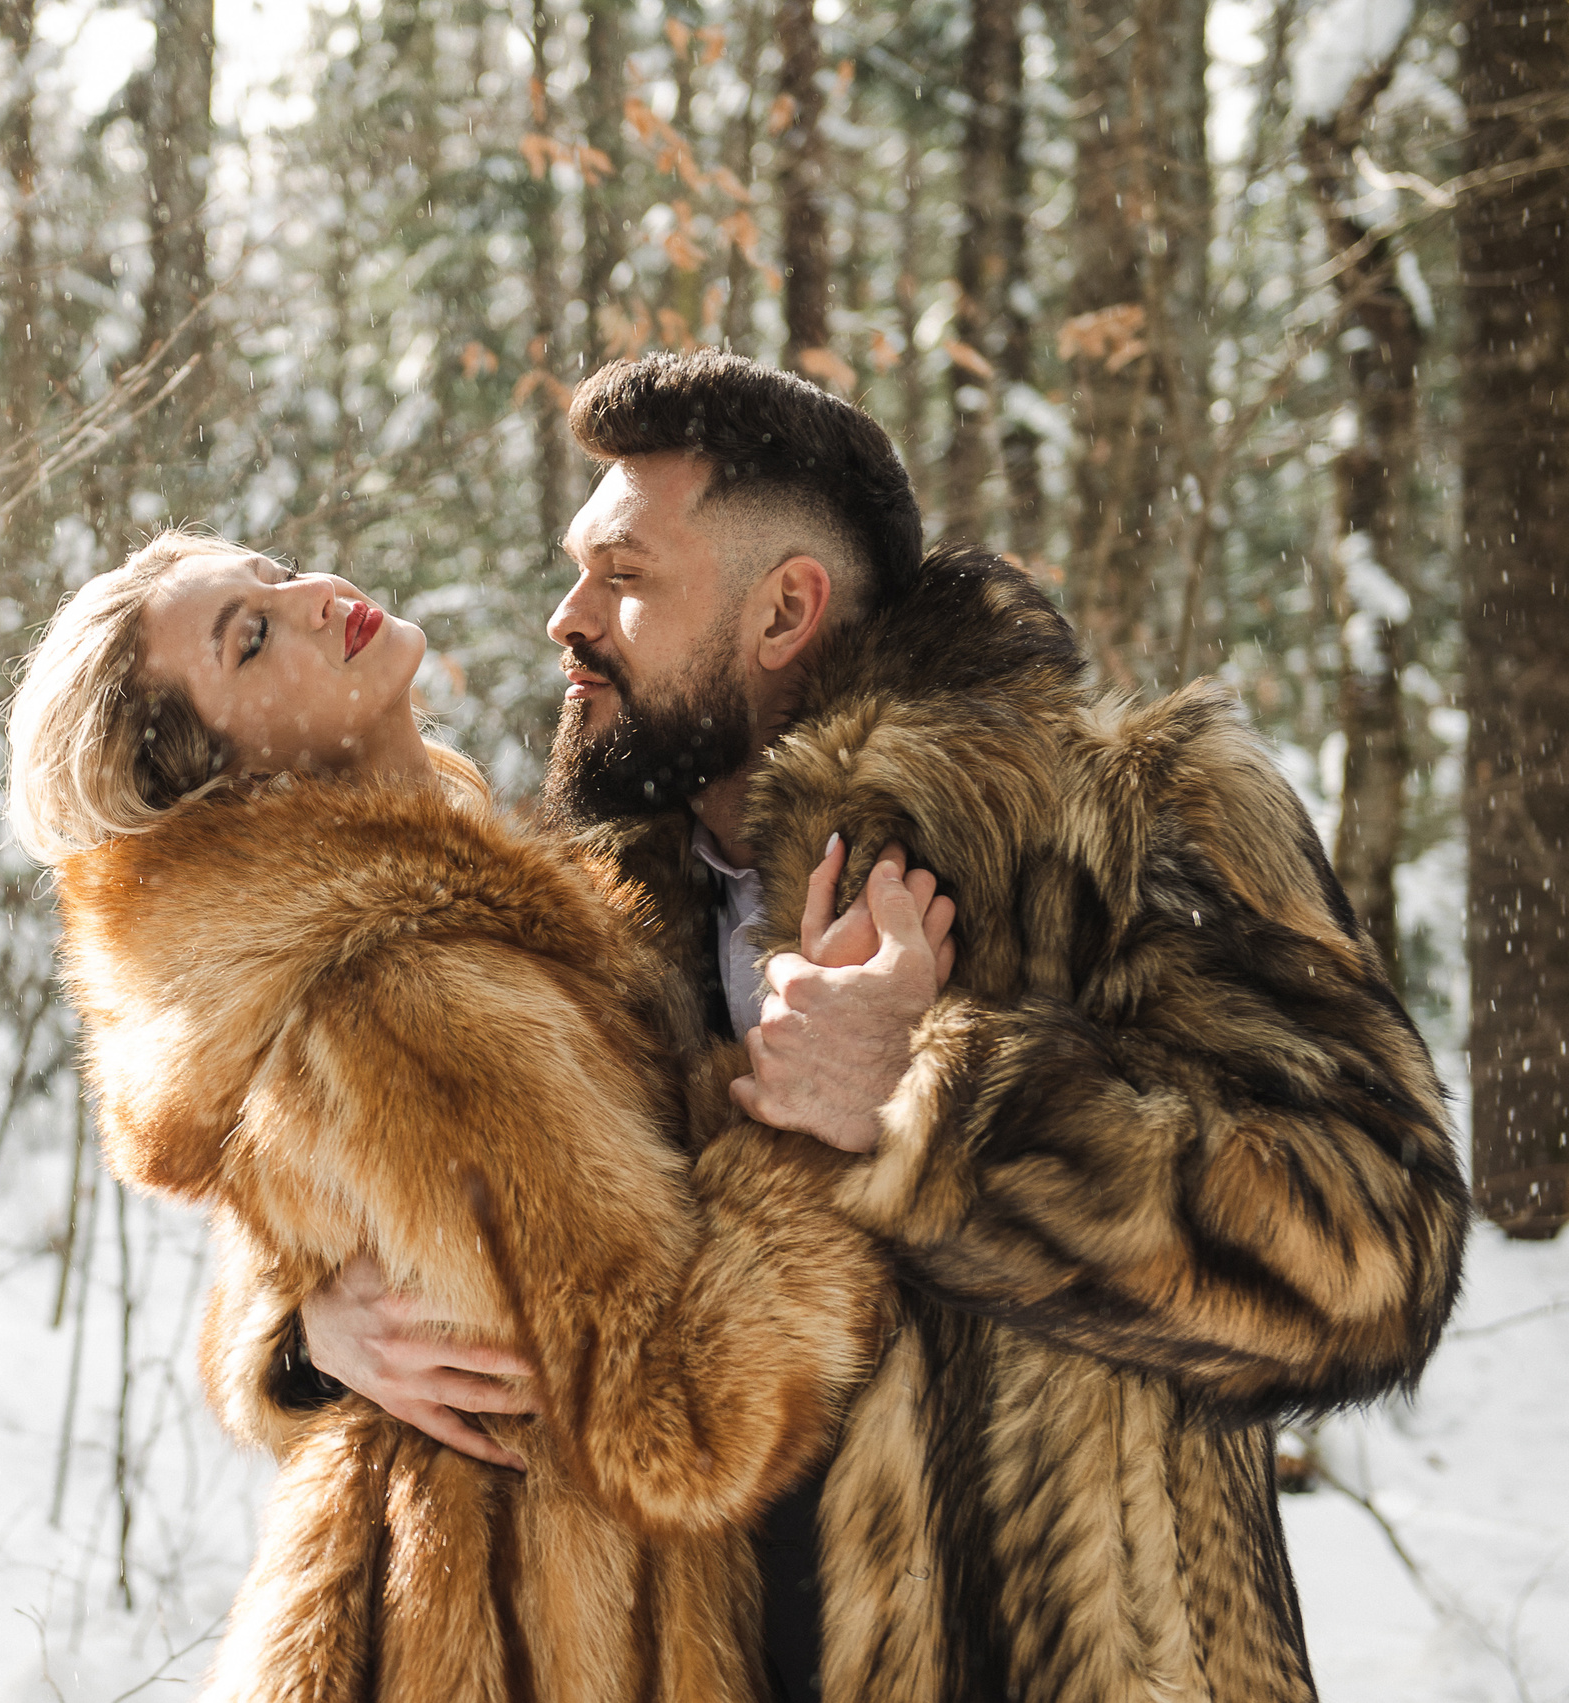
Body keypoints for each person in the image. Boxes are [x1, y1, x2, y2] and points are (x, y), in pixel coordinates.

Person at [276, 351, 1473, 1703]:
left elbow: (1386, 1245)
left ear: (785, 608)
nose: (568, 615)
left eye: (624, 573)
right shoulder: (591, 919)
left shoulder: (1129, 822)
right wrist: (311, 1329)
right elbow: (410, 1179)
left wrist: (939, 1106)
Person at [6, 531, 892, 1701]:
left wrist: (290, 1335)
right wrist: (813, 1120)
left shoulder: (420, 929)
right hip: (519, 1640)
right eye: (253, 635)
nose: (319, 597)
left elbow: (367, 1233)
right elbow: (676, 1421)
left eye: (272, 574)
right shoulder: (411, 999)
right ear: (234, 783)